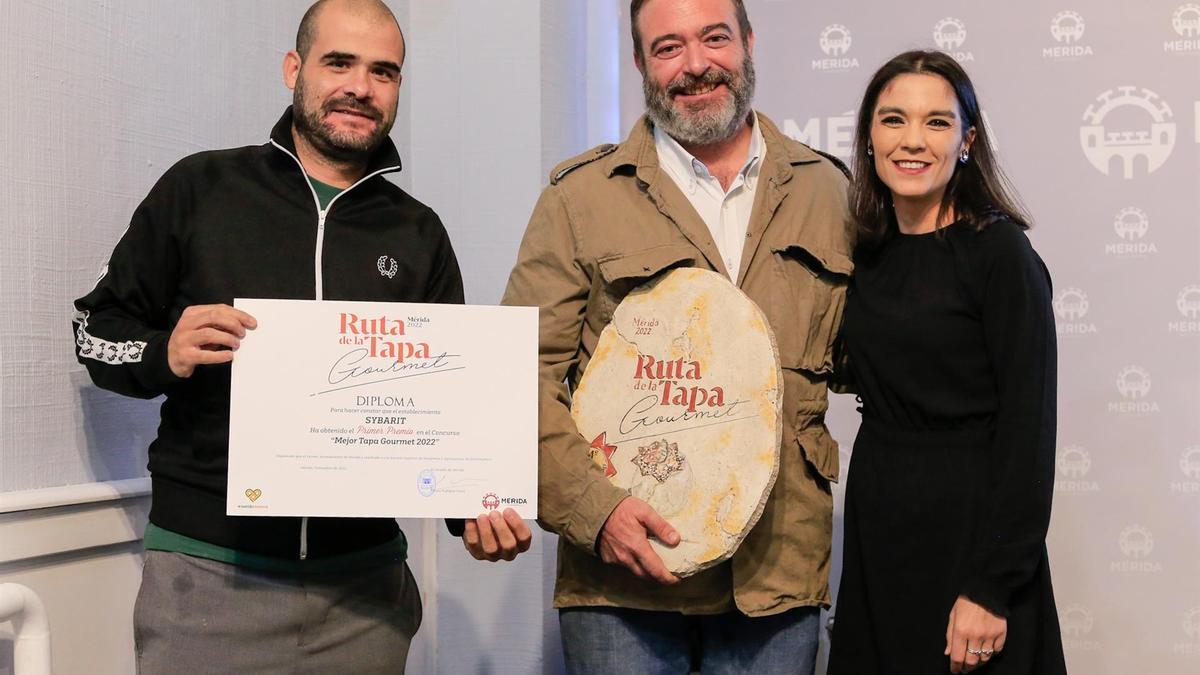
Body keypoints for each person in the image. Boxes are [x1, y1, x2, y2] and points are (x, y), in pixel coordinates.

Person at [71, 1, 530, 672]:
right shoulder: (201, 188)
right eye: (339, 62)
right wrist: (162, 350)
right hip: (208, 581)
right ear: (295, 68)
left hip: (364, 597)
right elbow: (93, 328)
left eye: (384, 72)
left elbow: (445, 411)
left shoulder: (417, 233)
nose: (360, 87)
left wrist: (477, 514)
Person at [501, 0, 853, 671]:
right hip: (622, 588)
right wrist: (594, 511)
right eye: (667, 47)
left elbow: (883, 358)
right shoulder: (581, 198)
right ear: (639, 62)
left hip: (776, 584)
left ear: (748, 42)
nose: (695, 66)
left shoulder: (827, 194)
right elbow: (519, 378)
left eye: (714, 38)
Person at [827, 50, 1067, 674]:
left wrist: (992, 587)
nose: (913, 141)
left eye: (937, 122)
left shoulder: (1000, 255)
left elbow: (1029, 430)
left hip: (972, 533)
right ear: (869, 137)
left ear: (967, 140)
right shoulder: (867, 253)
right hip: (881, 530)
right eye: (893, 120)